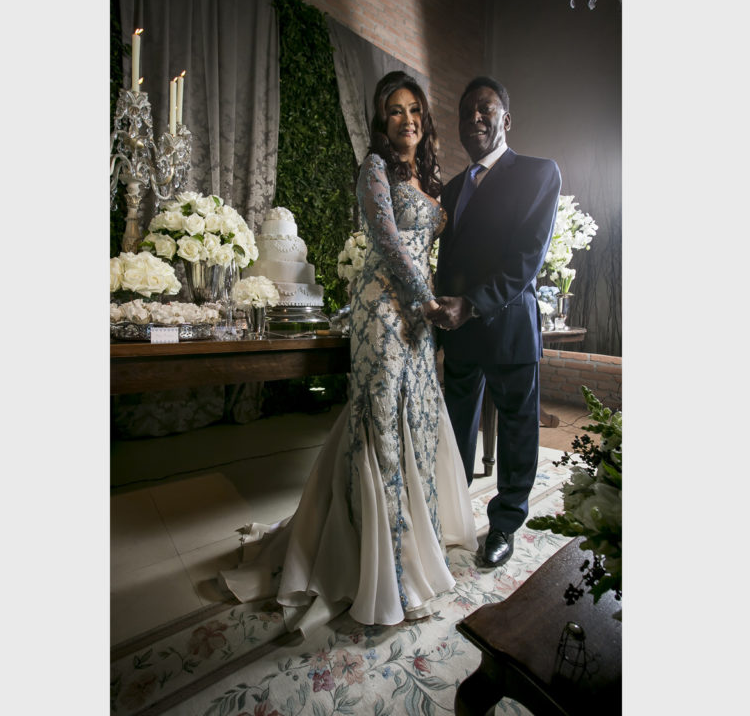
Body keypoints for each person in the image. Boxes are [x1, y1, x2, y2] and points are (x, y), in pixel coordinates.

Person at [219, 71, 477, 634]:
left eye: (415, 110)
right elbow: (387, 238)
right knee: (381, 422)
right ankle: (382, 568)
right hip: (383, 307)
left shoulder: (429, 176)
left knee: (418, 419)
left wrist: (436, 306)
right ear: (382, 120)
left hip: (421, 315)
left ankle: (416, 545)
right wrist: (427, 301)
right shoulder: (374, 168)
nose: (407, 120)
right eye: (395, 111)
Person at [429, 76, 561, 570]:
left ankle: (505, 523)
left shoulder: (539, 173)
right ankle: (451, 514)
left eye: (485, 109)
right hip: (460, 333)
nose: (474, 118)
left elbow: (527, 258)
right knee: (456, 428)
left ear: (506, 119)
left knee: (518, 429)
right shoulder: (452, 188)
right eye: (466, 112)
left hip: (508, 327)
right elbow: (447, 261)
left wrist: (471, 304)